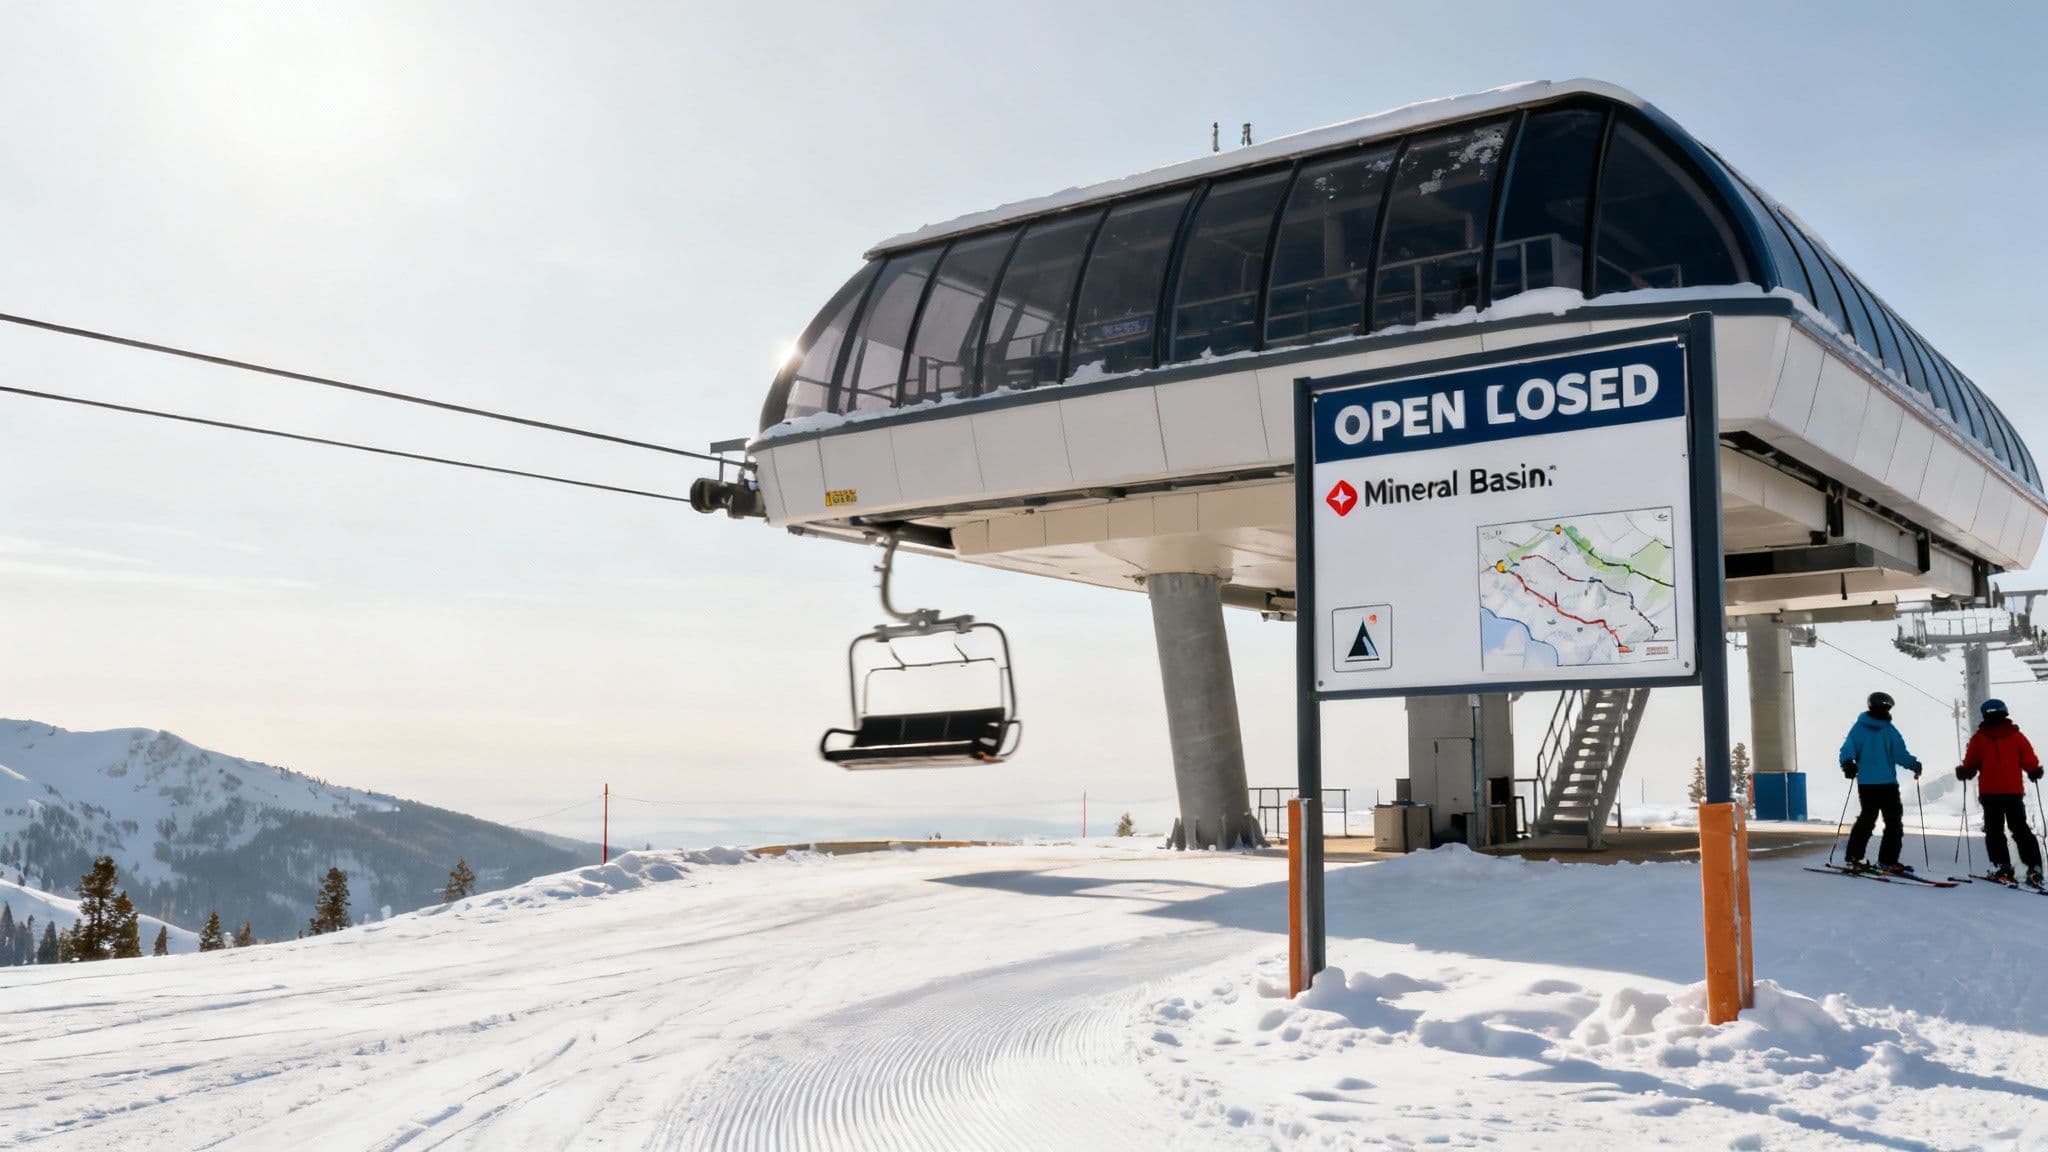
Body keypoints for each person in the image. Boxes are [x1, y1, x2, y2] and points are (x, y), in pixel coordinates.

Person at [1957, 697, 2045, 887]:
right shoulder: (2016, 737)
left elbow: (1970, 763)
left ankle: (2003, 867)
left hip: (1990, 793)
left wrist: (1965, 771)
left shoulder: (1979, 739)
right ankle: (2035, 868)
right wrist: (2033, 770)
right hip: (2012, 792)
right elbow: (2028, 758)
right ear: (2004, 713)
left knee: (1994, 831)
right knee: (2020, 829)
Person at [1838, 691, 1923, 873]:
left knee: (1867, 819)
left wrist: (1848, 765)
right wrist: (1915, 765)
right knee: (1893, 823)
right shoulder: (1889, 731)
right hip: (1887, 785)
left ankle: (1854, 857)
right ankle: (1887, 861)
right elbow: (1900, 755)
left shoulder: (1858, 729)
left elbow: (1847, 750)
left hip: (1867, 784)